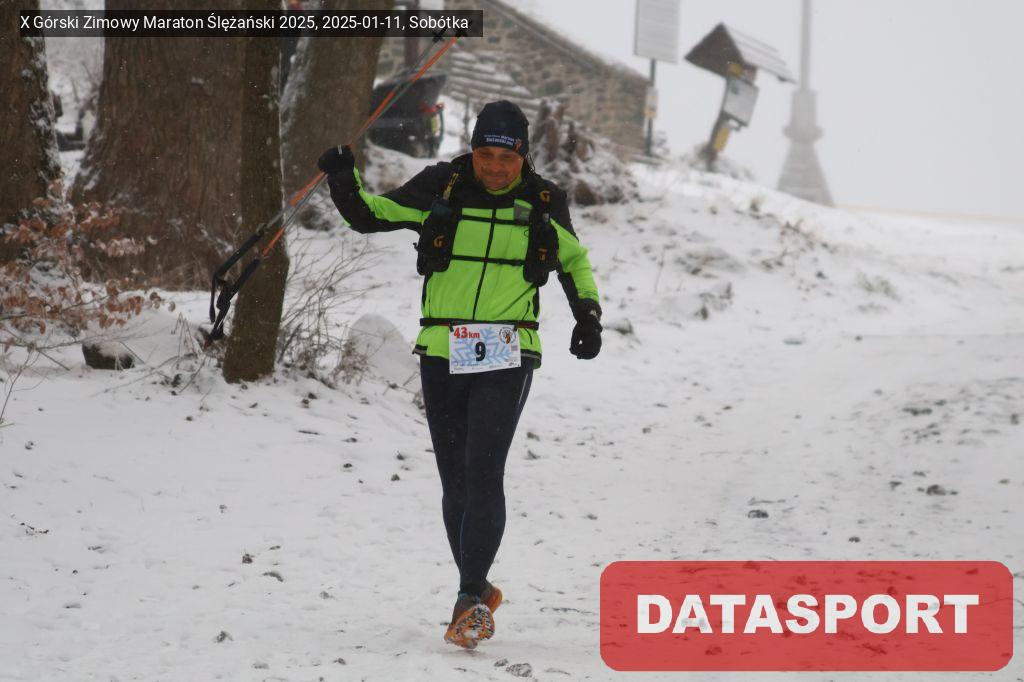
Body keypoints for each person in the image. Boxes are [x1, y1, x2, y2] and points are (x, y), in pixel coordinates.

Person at [317, 100, 602, 649]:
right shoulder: (441, 186)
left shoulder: (543, 201)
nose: (494, 167)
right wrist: (342, 177)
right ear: (472, 150)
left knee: (483, 470)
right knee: (456, 481)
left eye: (506, 158)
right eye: (485, 154)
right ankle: (477, 589)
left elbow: (574, 262)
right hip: (442, 349)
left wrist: (587, 315)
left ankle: (468, 597)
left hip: (508, 350)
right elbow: (371, 215)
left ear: (523, 157)